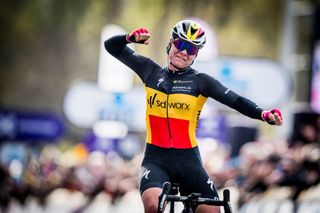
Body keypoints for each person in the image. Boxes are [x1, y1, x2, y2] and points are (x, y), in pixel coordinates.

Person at [105, 19, 283, 213]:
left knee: (213, 211)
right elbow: (111, 46)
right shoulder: (150, 71)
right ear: (171, 43)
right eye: (181, 44)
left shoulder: (200, 81)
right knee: (153, 205)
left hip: (188, 160)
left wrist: (263, 114)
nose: (183, 52)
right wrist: (129, 38)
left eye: (191, 49)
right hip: (156, 160)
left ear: (196, 54)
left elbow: (236, 100)